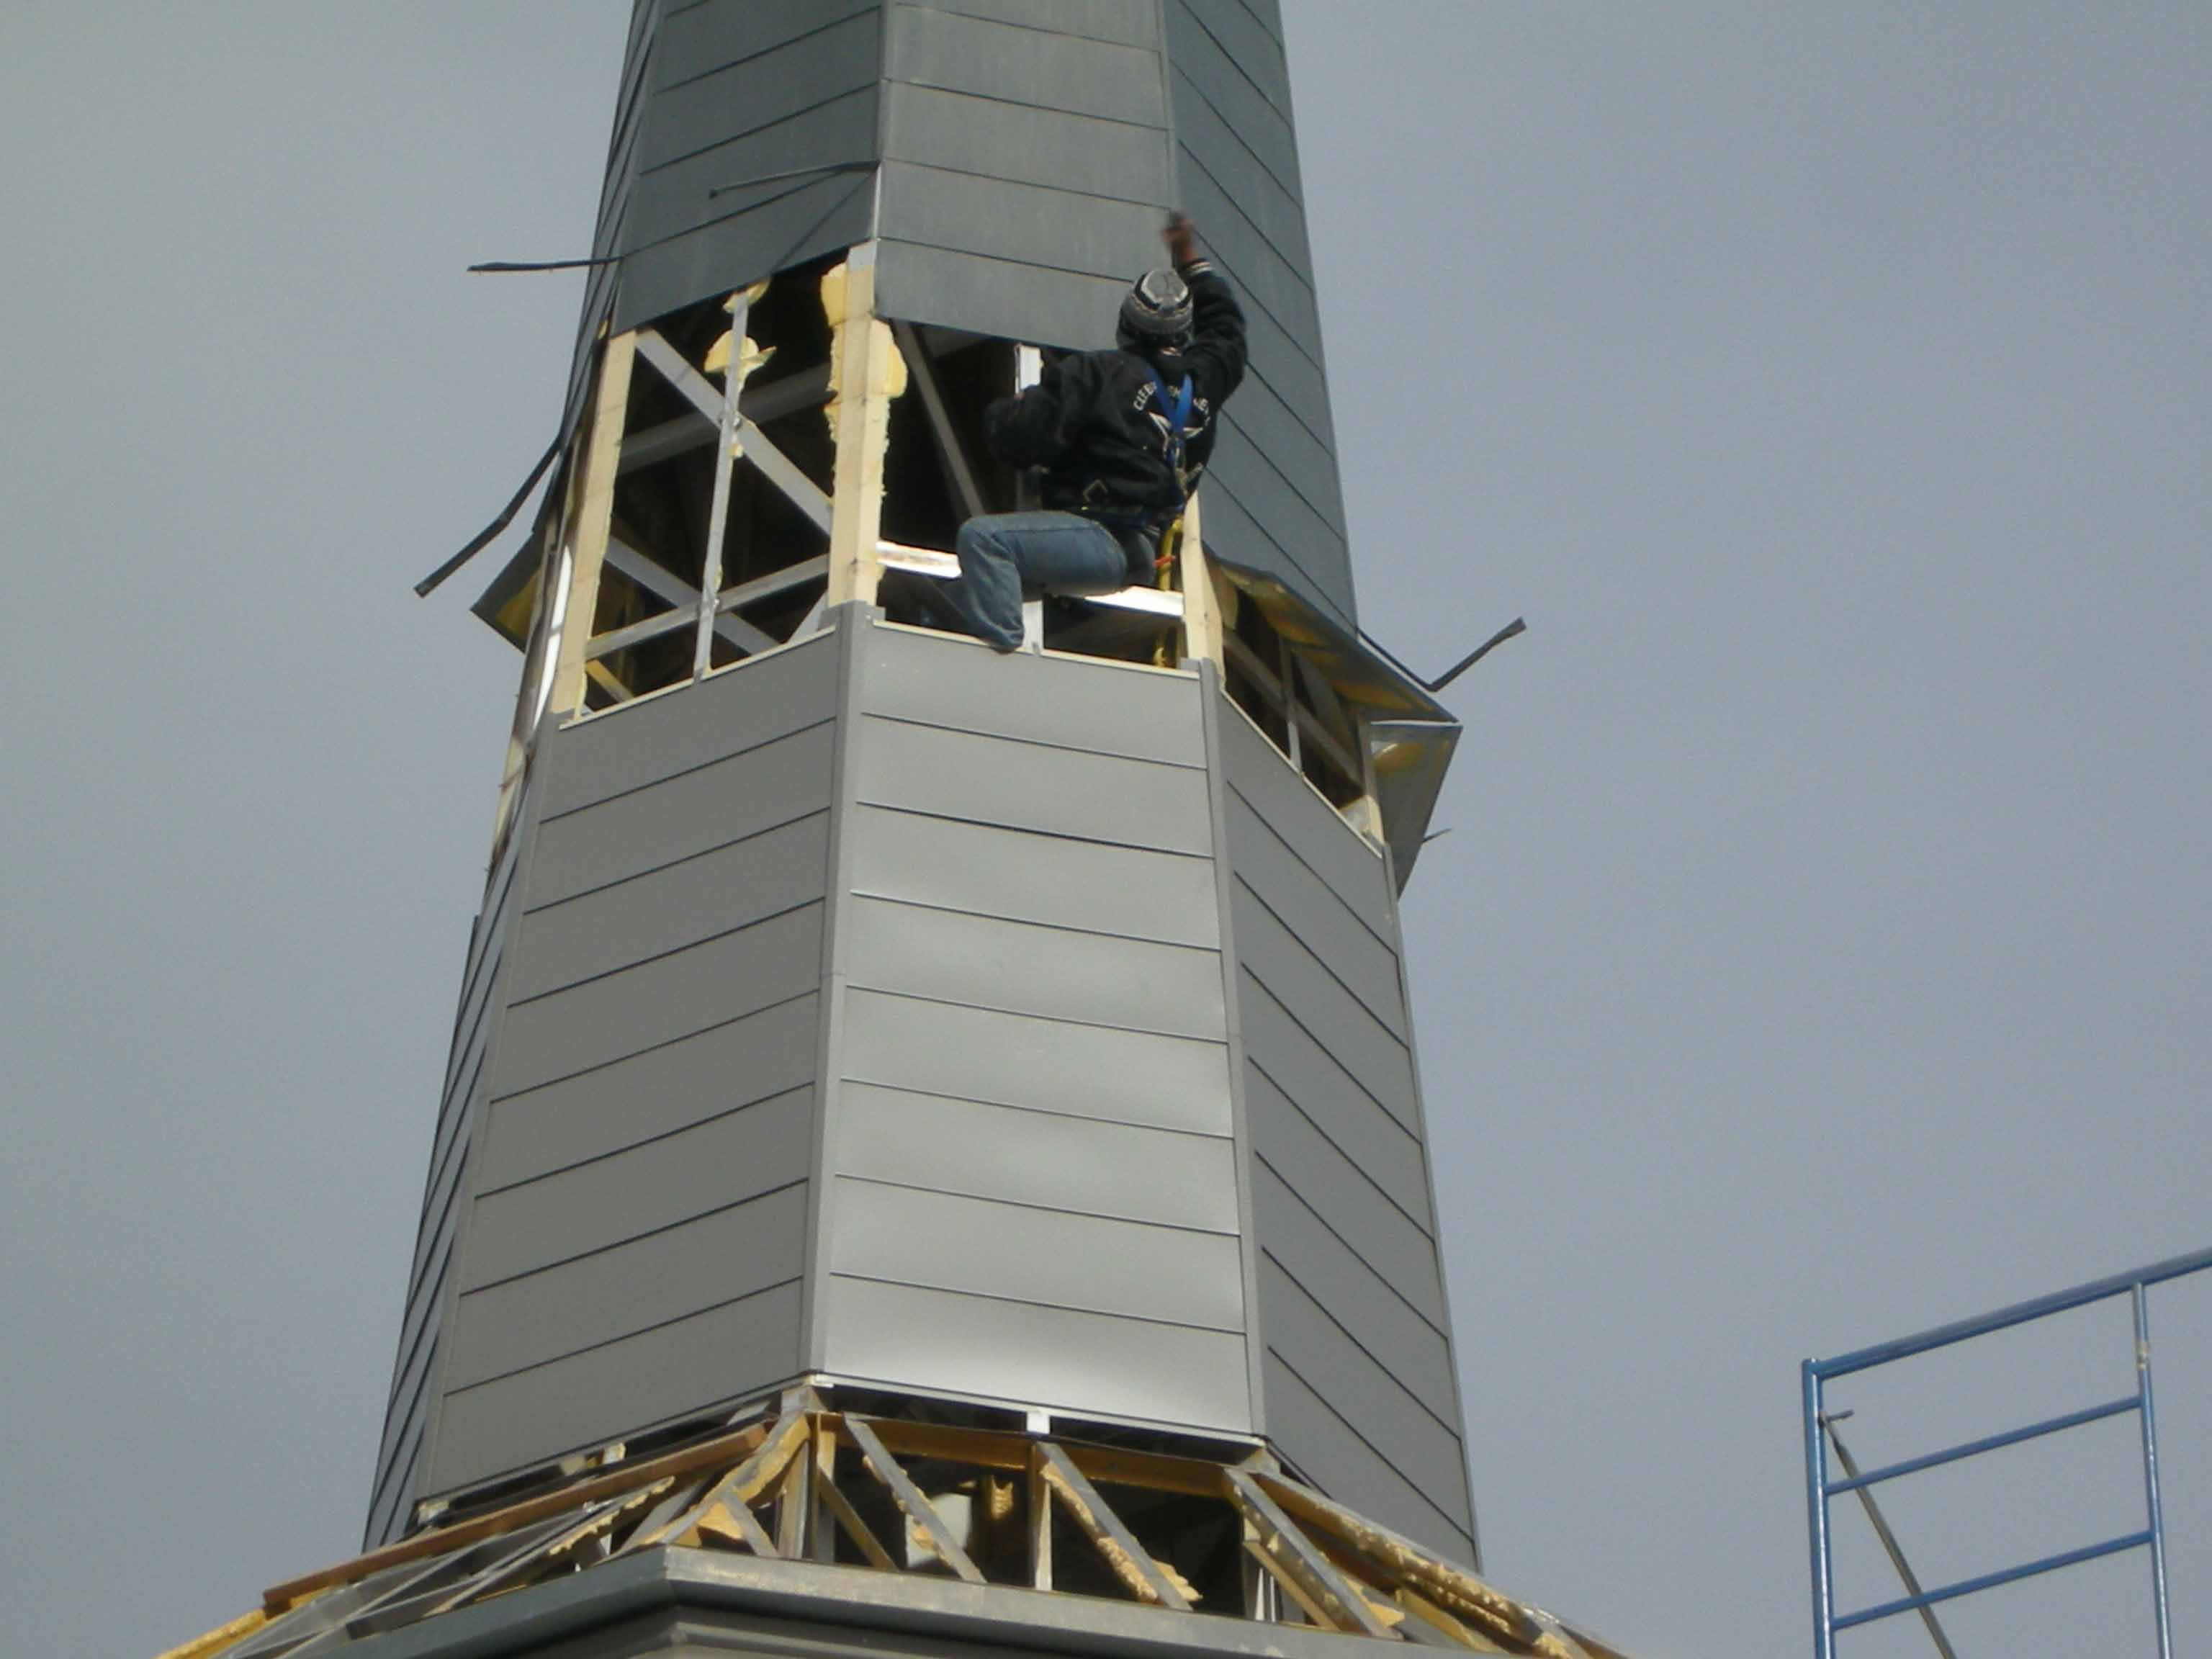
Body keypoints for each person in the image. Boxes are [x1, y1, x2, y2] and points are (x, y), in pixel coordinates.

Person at [904, 214, 1247, 651]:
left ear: (1126, 325)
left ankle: (998, 652)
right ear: (1183, 333)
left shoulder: (1098, 375)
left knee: (985, 542)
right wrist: (1190, 258)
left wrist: (1002, 410)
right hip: (1140, 547)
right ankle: (936, 623)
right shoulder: (1207, 378)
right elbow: (1228, 330)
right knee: (954, 599)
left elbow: (1021, 438)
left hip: (1101, 541)